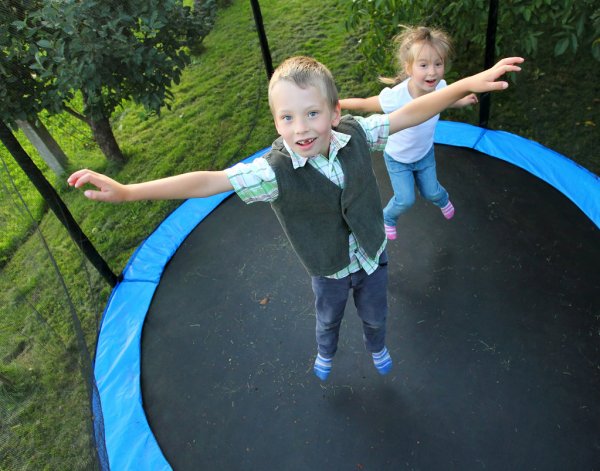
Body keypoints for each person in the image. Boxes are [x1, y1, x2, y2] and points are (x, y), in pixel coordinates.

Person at [68, 55, 523, 381]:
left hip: (372, 255)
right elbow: (208, 181)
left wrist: (465, 84)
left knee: (375, 312)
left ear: (335, 112)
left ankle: (377, 345)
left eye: (311, 114)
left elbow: (410, 113)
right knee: (327, 318)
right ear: (276, 122)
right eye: (287, 118)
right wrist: (129, 192)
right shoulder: (272, 172)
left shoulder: (358, 135)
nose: (301, 128)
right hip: (326, 268)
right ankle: (326, 352)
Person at [340, 26, 478, 240]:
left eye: (438, 64)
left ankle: (442, 199)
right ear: (409, 68)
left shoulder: (441, 86)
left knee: (432, 192)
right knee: (405, 199)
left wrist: (462, 100)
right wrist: (337, 104)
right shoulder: (397, 96)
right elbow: (366, 104)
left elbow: (448, 98)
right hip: (398, 159)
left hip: (424, 155)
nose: (432, 72)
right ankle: (388, 217)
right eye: (423, 65)